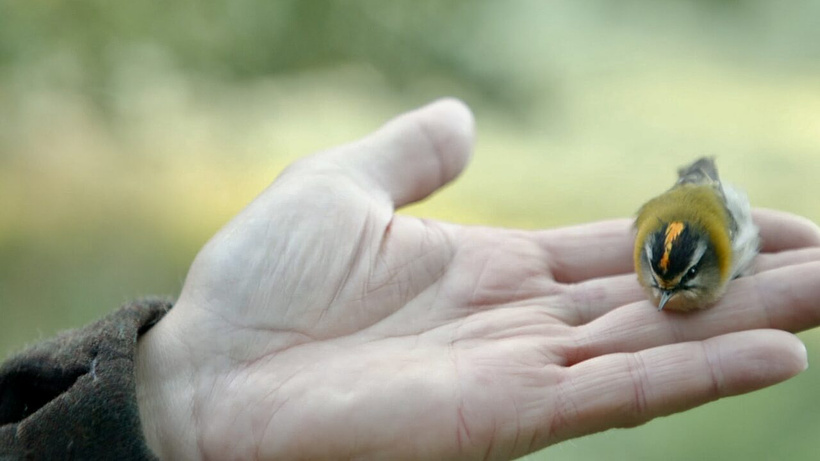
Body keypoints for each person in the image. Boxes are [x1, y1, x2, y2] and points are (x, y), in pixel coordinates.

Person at [2, 99, 820, 460]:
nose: (667, 299)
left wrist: (166, 402)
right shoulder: (664, 230)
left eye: (684, 287)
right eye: (657, 278)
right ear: (647, 249)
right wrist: (171, 395)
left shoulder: (705, 237)